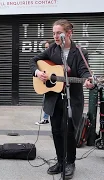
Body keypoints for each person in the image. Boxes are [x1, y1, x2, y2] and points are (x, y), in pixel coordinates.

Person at [29, 19, 93, 179]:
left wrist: (87, 80)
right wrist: (38, 73)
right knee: (56, 131)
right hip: (53, 98)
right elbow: (33, 61)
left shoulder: (79, 52)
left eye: (59, 33)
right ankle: (60, 161)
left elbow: (84, 71)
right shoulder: (52, 49)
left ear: (69, 33)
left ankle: (70, 162)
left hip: (72, 99)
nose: (55, 36)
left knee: (69, 131)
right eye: (54, 33)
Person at [35, 40, 54, 125]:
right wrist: (39, 73)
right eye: (45, 48)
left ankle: (46, 118)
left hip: (56, 85)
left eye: (47, 47)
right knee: (46, 101)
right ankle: (45, 118)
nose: (45, 50)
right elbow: (35, 62)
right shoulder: (44, 58)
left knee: (48, 101)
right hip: (47, 84)